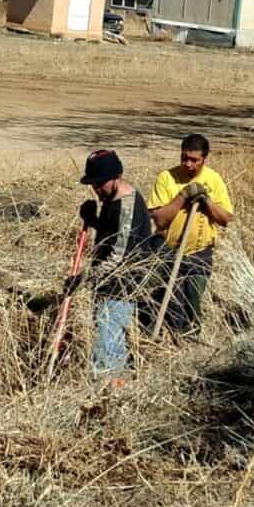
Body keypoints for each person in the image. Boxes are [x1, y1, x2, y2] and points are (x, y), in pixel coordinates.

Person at [64, 149, 153, 382]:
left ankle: (109, 393)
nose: (96, 189)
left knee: (107, 347)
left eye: (100, 184)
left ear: (116, 177)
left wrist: (84, 277)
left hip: (121, 288)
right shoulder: (111, 199)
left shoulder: (127, 206)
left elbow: (118, 256)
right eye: (93, 184)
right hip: (106, 285)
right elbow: (109, 234)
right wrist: (93, 220)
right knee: (106, 340)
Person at [147, 134, 233, 335]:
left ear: (205, 159)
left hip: (201, 253)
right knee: (172, 304)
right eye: (184, 158)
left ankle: (193, 336)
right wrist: (182, 196)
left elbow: (226, 219)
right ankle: (169, 338)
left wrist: (207, 202)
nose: (188, 164)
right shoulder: (166, 179)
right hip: (170, 251)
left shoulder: (214, 179)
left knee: (193, 299)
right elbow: (159, 220)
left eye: (194, 160)